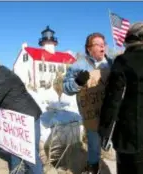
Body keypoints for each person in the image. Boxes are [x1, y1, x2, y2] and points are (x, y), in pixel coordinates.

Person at [99, 22, 143, 174]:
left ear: (129, 40)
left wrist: (104, 131)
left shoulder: (123, 61)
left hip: (131, 136)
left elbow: (113, 99)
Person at [63, 32, 112, 174]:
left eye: (104, 44)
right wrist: (77, 82)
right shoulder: (79, 65)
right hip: (92, 114)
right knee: (94, 144)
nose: (102, 46)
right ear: (89, 48)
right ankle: (93, 167)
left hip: (111, 112)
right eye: (98, 44)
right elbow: (66, 88)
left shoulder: (112, 63)